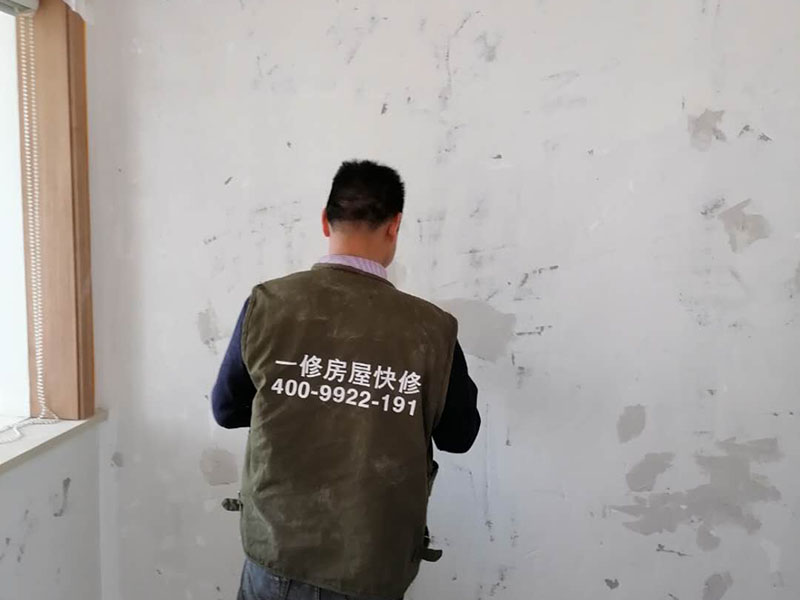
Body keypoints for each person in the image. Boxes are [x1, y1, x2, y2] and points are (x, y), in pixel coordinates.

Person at [211, 160, 481, 600]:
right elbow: (459, 435)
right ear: (394, 226)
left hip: (275, 553)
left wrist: (301, 396)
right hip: (369, 564)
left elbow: (227, 410)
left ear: (324, 220)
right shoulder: (431, 329)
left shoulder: (268, 304)